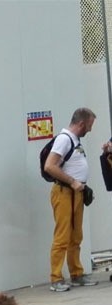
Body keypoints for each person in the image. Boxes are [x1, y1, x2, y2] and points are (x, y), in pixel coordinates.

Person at [43, 108, 98, 291]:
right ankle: (56, 278)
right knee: (62, 236)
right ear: (81, 123)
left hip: (77, 193)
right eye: (89, 126)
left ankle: (76, 274)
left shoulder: (75, 140)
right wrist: (73, 181)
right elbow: (50, 166)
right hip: (64, 192)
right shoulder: (64, 140)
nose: (89, 130)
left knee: (76, 236)